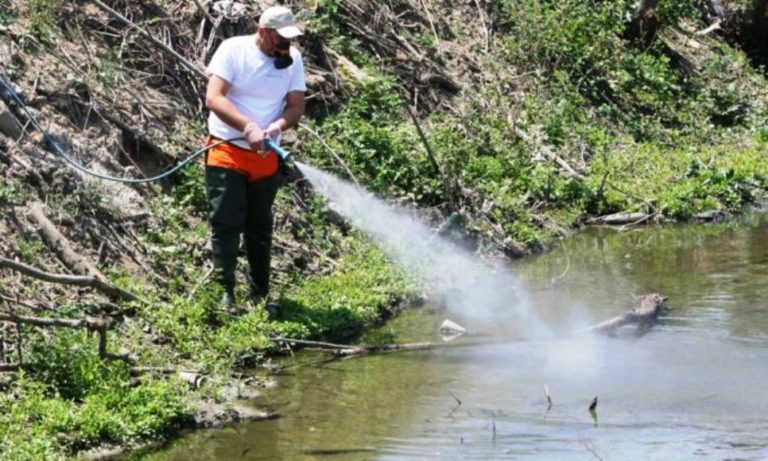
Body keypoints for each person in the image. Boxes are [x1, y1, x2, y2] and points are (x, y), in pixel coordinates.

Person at [204, 5, 306, 311]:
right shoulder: (233, 50)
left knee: (260, 226)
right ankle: (225, 294)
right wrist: (247, 126)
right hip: (227, 148)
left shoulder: (293, 60)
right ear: (263, 32)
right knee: (226, 221)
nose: (286, 46)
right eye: (281, 39)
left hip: (265, 157)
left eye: (290, 39)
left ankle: (260, 294)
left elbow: (296, 106)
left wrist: (275, 127)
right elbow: (214, 97)